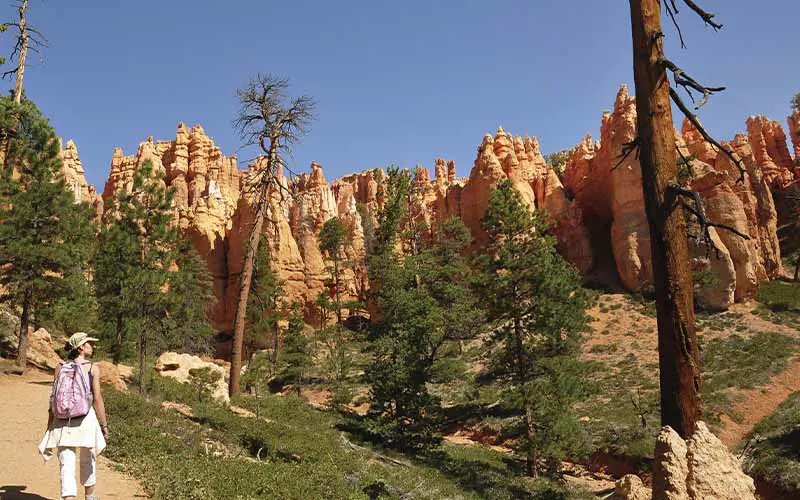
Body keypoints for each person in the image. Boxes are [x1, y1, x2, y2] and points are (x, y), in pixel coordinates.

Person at [39, 332, 109, 500]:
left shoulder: (60, 367)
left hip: (62, 422)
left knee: (66, 464)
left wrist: (50, 425)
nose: (92, 346)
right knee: (88, 459)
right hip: (85, 421)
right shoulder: (92, 368)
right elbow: (97, 399)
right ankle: (90, 497)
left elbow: (53, 398)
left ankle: (68, 498)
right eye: (89, 343)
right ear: (81, 348)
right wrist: (104, 425)